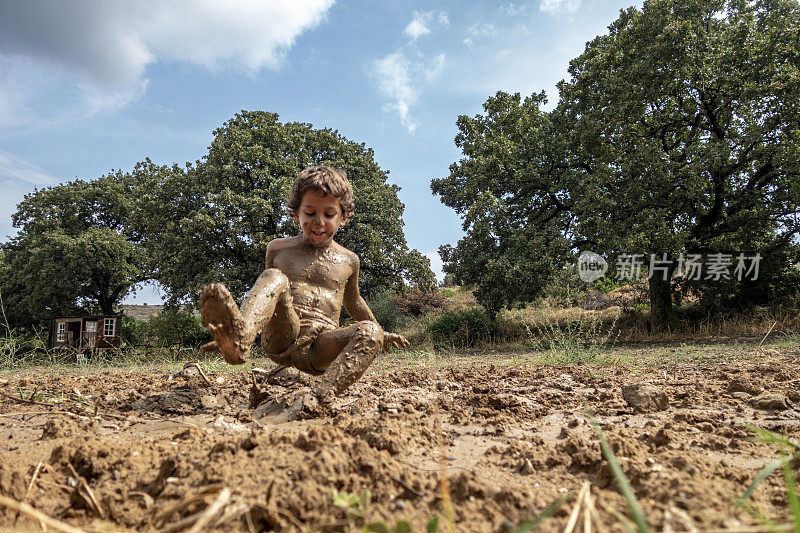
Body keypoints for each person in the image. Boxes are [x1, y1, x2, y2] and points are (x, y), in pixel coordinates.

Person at [199, 165, 409, 401]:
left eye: (329, 215)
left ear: (344, 217)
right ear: (296, 213)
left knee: (371, 332)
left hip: (320, 347)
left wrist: (380, 331)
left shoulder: (349, 260)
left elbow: (354, 300)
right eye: (310, 214)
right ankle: (240, 339)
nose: (319, 222)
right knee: (274, 277)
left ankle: (321, 396)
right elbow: (267, 294)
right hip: (283, 335)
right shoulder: (278, 249)